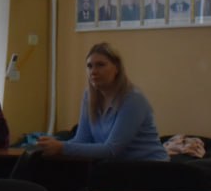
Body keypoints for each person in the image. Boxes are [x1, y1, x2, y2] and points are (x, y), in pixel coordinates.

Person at [34, 43, 166, 161]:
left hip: (149, 168)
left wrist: (62, 147)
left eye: (100, 65)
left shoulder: (133, 99)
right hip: (116, 168)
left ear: (116, 68)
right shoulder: (89, 96)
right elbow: (82, 140)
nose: (93, 71)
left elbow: (111, 150)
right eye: (89, 66)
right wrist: (49, 145)